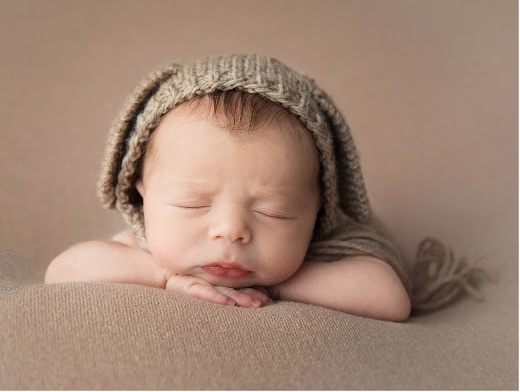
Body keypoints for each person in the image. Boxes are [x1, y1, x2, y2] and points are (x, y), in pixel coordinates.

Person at [45, 54, 487, 321]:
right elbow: (63, 271)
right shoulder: (149, 242)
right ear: (141, 190)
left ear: (318, 210)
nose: (230, 230)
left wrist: (278, 286)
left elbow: (390, 298)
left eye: (273, 211)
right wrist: (164, 275)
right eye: (192, 203)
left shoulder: (330, 241)